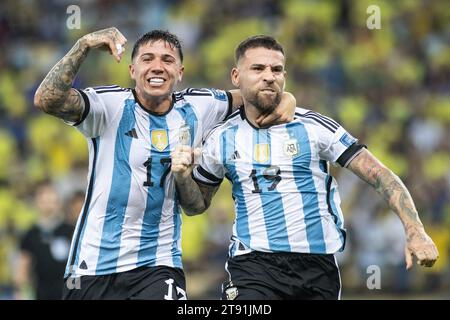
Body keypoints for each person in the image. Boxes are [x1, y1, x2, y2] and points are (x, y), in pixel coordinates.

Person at [33, 27, 295, 300]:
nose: (157, 67)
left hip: (158, 266)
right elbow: (46, 99)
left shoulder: (200, 106)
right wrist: (84, 44)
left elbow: (257, 95)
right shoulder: (109, 105)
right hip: (93, 267)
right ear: (132, 70)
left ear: (180, 73)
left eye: (167, 60)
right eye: (148, 59)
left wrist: (286, 98)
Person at [171, 35, 439, 300]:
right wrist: (183, 177)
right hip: (252, 265)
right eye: (257, 68)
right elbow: (196, 206)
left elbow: (380, 175)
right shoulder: (221, 137)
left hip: (316, 265)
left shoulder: (313, 127)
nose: (269, 76)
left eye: (276, 69)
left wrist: (415, 230)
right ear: (236, 76)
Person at [15, 181, 73, 300]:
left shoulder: (70, 231)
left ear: (59, 203)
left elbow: (77, 265)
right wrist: (22, 291)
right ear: (37, 202)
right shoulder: (31, 234)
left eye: (52, 200)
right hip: (41, 293)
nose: (49, 205)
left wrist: (77, 291)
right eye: (44, 201)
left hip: (66, 294)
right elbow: (23, 266)